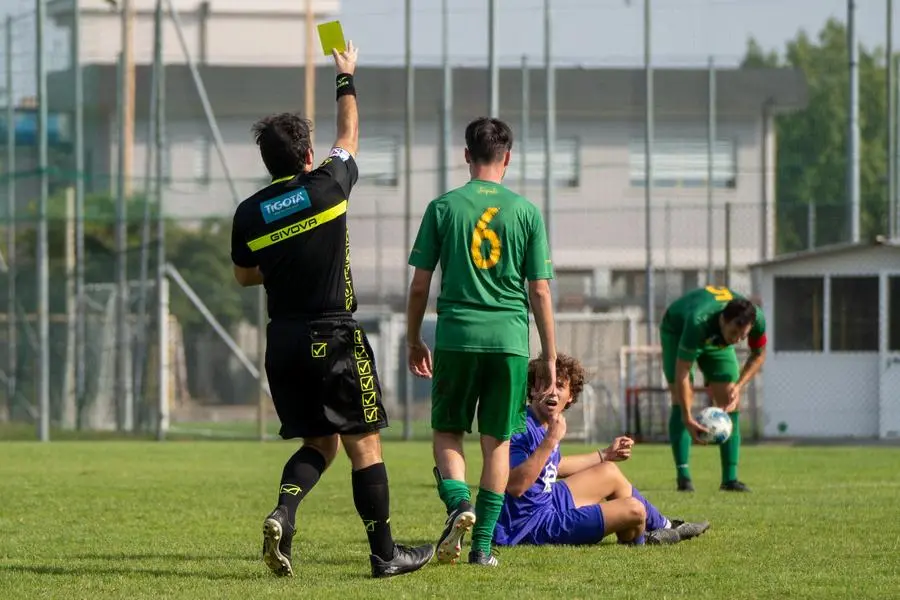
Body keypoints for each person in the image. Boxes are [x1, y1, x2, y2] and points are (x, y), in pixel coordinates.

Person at [229, 41, 433, 579]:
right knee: (363, 441)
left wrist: (282, 257)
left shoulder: (249, 214)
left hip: (284, 343)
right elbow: (350, 137)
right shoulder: (327, 186)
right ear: (305, 155)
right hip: (333, 337)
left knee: (320, 442)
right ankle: (385, 554)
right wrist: (345, 75)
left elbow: (244, 275)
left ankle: (284, 512)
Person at [406, 117, 558, 567]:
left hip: (456, 336)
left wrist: (415, 338)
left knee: (448, 431)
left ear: (467, 155)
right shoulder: (526, 212)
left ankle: (459, 505)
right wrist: (548, 355)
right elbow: (541, 290)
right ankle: (484, 548)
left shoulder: (443, 207)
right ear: (507, 159)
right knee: (497, 443)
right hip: (509, 340)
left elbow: (419, 286)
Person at [494, 353, 710, 548]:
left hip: (547, 502)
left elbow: (552, 467)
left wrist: (605, 454)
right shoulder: (522, 425)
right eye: (545, 384)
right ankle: (641, 539)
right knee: (634, 510)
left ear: (570, 396)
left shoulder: (547, 422)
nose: (552, 391)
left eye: (560, 385)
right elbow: (515, 486)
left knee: (608, 471)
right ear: (533, 388)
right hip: (528, 524)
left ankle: (667, 525)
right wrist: (551, 440)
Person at [660, 285, 768, 493]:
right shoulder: (697, 321)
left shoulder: (758, 319)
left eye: (742, 336)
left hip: (715, 339)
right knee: (680, 395)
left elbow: (758, 354)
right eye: (734, 333)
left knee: (729, 395)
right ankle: (684, 477)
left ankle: (730, 479)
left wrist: (739, 385)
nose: (737, 340)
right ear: (722, 320)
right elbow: (683, 371)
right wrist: (687, 416)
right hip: (677, 329)